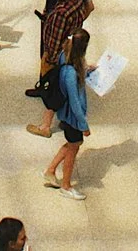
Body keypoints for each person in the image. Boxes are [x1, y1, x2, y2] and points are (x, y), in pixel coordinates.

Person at [24, 0, 94, 138]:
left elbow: (54, 42)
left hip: (61, 51)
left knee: (56, 88)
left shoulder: (62, 12)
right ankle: (47, 93)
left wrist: (52, 56)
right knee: (60, 86)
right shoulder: (74, 2)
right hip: (68, 46)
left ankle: (46, 126)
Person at [41, 27, 93, 200]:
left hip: (66, 116)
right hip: (73, 119)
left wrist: (86, 70)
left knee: (71, 144)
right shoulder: (70, 74)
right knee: (73, 148)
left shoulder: (65, 58)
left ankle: (50, 170)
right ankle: (66, 185)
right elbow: (75, 102)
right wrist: (84, 125)